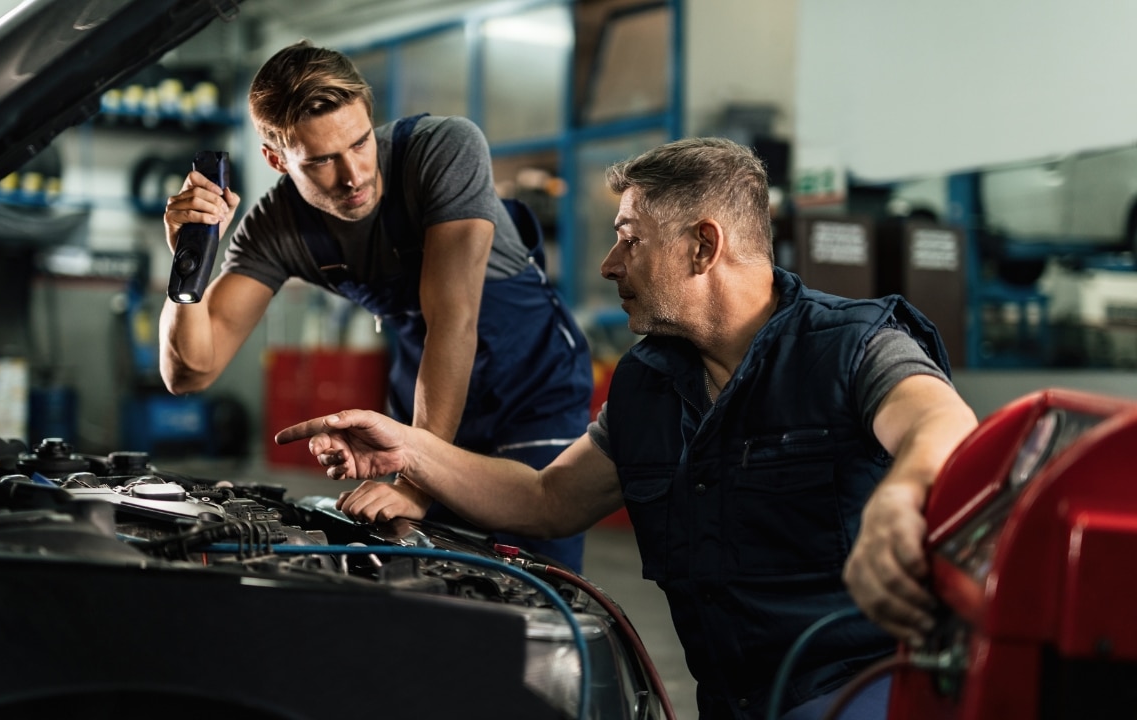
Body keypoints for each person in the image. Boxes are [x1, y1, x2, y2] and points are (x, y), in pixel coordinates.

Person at [274, 137, 980, 719]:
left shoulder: (850, 345)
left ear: (703, 246)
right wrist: (411, 448)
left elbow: (940, 422)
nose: (610, 265)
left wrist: (904, 493)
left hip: (869, 693)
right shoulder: (650, 382)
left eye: (629, 240)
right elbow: (549, 499)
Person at [158, 40, 594, 571]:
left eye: (361, 142)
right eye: (321, 160)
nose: (354, 175)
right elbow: (190, 373)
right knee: (427, 569)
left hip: (531, 389)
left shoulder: (442, 150)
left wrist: (415, 479)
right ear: (276, 160)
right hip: (425, 398)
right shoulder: (275, 228)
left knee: (534, 572)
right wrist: (189, 258)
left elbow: (453, 321)